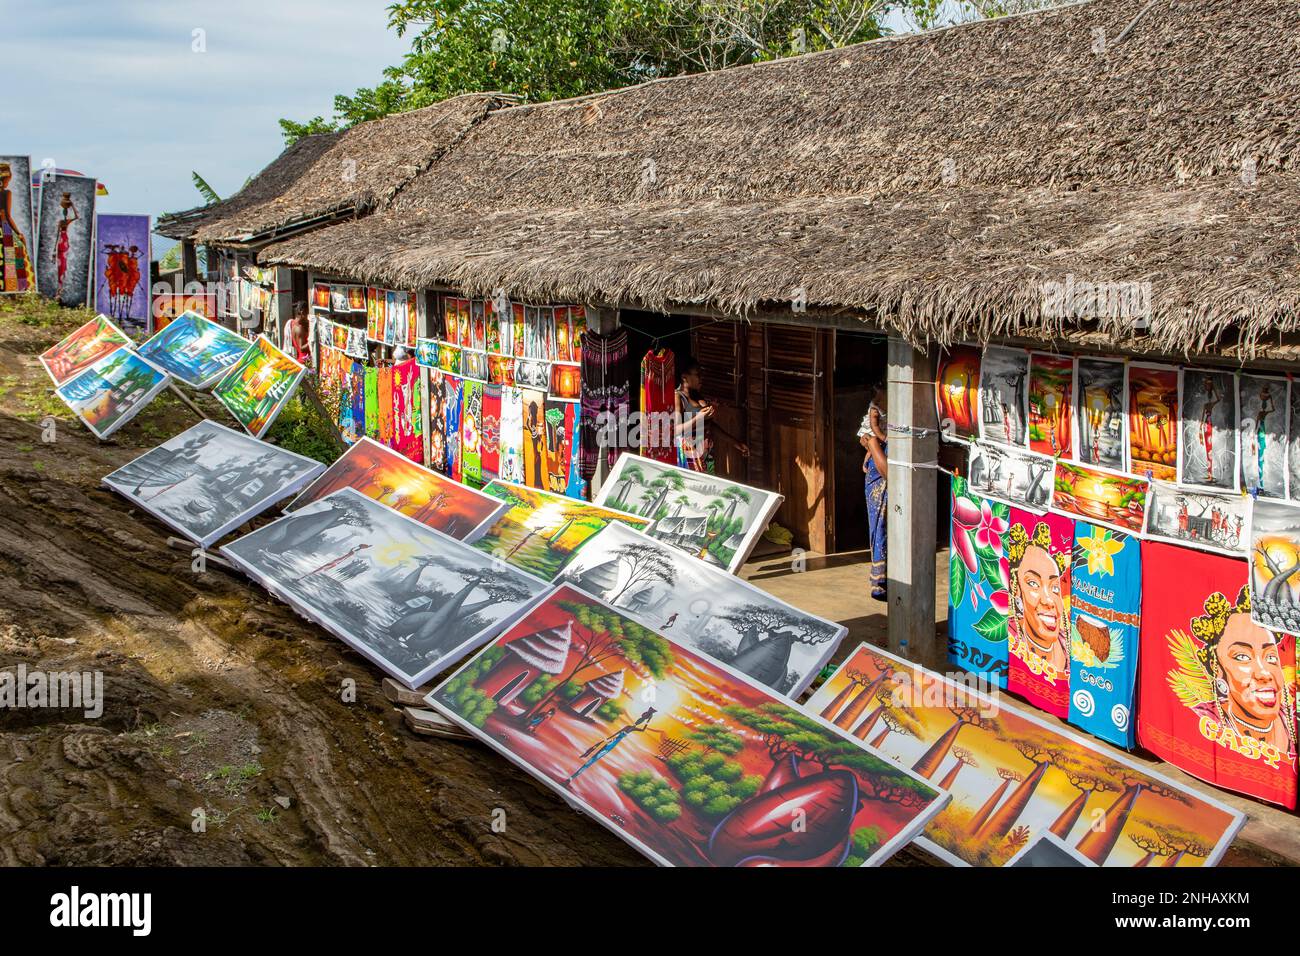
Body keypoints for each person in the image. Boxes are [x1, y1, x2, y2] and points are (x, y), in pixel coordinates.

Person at [672, 358, 748, 472]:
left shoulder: (698, 396)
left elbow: (710, 426)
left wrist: (735, 443)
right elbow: (677, 430)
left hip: (706, 453)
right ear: (684, 377)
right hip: (690, 454)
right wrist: (698, 418)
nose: (701, 378)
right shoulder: (678, 397)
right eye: (697, 375)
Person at [858, 384, 888, 600]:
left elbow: (890, 474)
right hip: (877, 484)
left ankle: (883, 580)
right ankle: (879, 581)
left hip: (883, 477)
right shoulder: (874, 412)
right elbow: (871, 432)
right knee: (879, 527)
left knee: (884, 528)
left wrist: (873, 446)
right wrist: (872, 445)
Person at [0, 162, 35, 292]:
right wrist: (19, 234)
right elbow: (8, 216)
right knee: (18, 252)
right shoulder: (6, 193)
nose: (8, 183)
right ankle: (17, 288)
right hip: (5, 230)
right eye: (8, 181)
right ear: (4, 180)